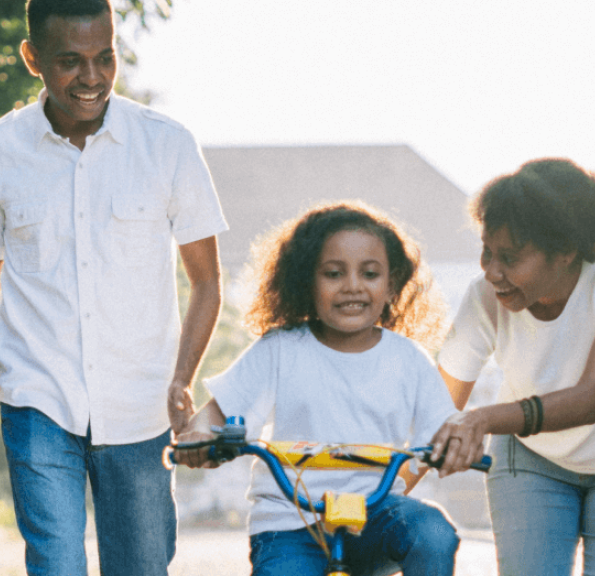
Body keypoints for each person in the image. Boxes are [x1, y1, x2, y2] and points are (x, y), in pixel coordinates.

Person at [0, 0, 227, 576]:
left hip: (141, 406)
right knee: (55, 565)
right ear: (33, 60)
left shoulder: (167, 146)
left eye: (105, 58)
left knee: (142, 568)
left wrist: (182, 381)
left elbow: (206, 282)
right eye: (70, 62)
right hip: (38, 399)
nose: (92, 77)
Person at [426, 158, 595, 575]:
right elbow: (436, 413)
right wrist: (371, 501)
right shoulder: (484, 297)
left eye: (510, 258)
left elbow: (590, 398)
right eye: (486, 252)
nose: (492, 272)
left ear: (566, 251)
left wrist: (481, 419)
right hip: (530, 457)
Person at [175, 201, 462, 576]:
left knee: (434, 532)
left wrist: (455, 445)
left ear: (392, 285)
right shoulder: (280, 349)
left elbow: (444, 429)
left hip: (375, 515)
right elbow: (215, 414)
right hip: (290, 522)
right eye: (333, 273)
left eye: (370, 274)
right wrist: (198, 437)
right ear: (306, 281)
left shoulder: (407, 359)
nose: (353, 286)